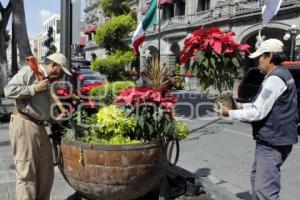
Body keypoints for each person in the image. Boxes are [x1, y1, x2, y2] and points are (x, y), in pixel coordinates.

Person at [216, 38, 298, 200]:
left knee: (264, 190)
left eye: (260, 56)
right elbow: (264, 106)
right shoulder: (281, 74)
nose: (257, 60)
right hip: (277, 139)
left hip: (273, 142)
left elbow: (257, 113)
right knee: (258, 179)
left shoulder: (275, 79)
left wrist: (228, 113)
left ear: (269, 56)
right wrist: (240, 107)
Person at [4, 53, 71, 200]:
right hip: (24, 123)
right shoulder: (30, 71)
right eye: (61, 72)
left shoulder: (48, 81)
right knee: (26, 173)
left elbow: (44, 110)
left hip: (39, 127)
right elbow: (8, 90)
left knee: (46, 172)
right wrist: (34, 88)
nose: (61, 77)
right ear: (54, 65)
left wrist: (58, 119)